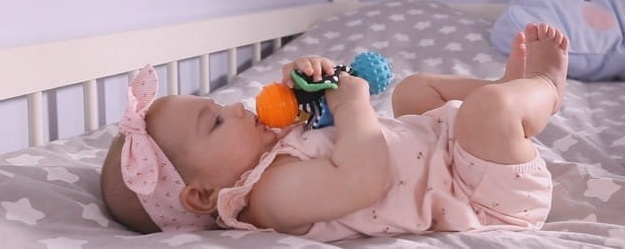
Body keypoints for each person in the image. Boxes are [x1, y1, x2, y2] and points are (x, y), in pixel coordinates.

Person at [100, 22, 568, 241]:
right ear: (203, 195)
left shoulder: (268, 155)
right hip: (482, 196)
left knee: (413, 89)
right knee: (486, 111)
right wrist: (351, 104)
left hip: (445, 154)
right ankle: (543, 88)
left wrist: (313, 80)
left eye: (222, 104)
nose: (238, 108)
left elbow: (325, 127)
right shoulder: (270, 197)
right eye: (217, 120)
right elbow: (364, 177)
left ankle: (507, 90)